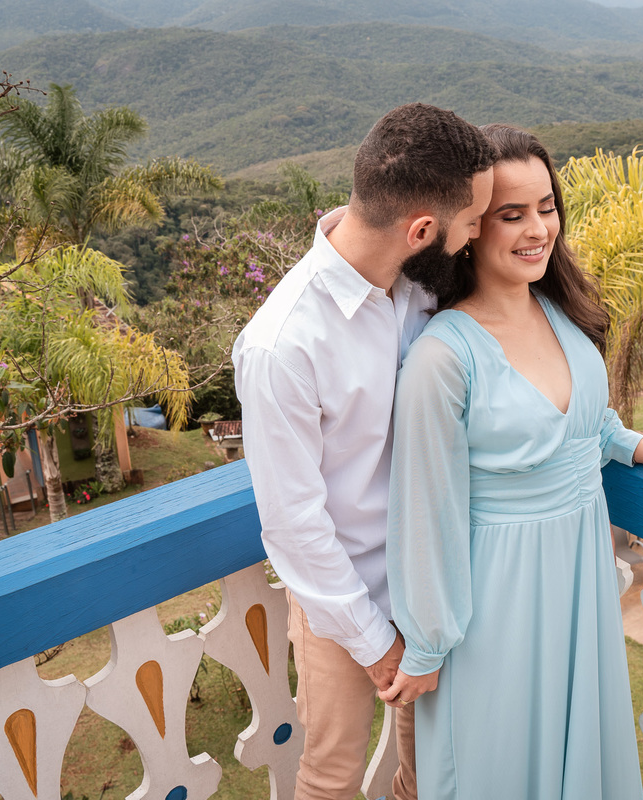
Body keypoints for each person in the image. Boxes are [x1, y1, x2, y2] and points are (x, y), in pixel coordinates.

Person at [381, 124, 643, 798]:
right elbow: (423, 512)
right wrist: (428, 644)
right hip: (497, 599)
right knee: (501, 767)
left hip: (579, 580)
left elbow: (583, 425)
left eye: (547, 207)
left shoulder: (559, 313)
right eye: (511, 214)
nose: (537, 230)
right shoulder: (442, 357)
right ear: (471, 227)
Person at [231, 103, 495, 800]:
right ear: (422, 230)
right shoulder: (282, 346)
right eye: (471, 223)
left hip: (433, 584)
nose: (476, 237)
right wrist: (376, 645)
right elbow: (293, 523)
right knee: (332, 777)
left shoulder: (423, 288)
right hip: (344, 606)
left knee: (432, 769)